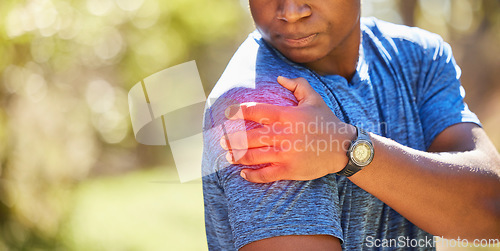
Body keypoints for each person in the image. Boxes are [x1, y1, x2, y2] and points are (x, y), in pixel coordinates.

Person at [202, 0, 500, 250]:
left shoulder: (418, 56)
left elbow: (491, 209)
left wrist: (346, 147)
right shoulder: (263, 104)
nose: (291, 11)